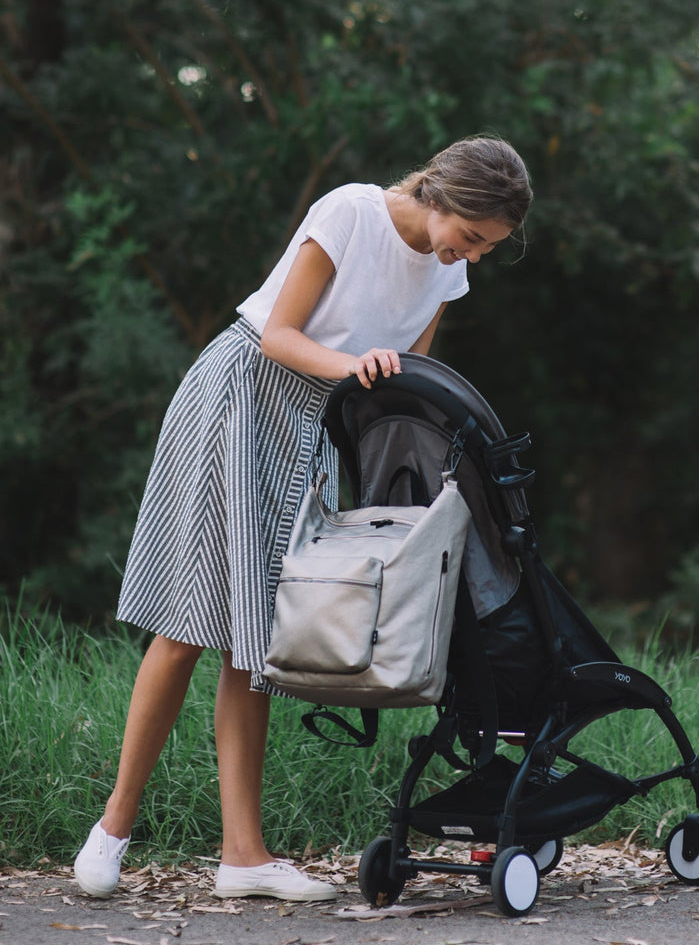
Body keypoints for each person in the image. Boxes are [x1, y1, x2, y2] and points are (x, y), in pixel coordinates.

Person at [73, 135, 533, 902]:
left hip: (314, 427)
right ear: (446, 198)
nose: (474, 257)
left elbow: (404, 384)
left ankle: (243, 858)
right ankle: (112, 829)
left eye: (488, 248)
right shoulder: (352, 211)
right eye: (475, 237)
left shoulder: (447, 276)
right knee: (188, 625)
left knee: (261, 636)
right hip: (243, 396)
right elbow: (282, 333)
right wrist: (353, 368)